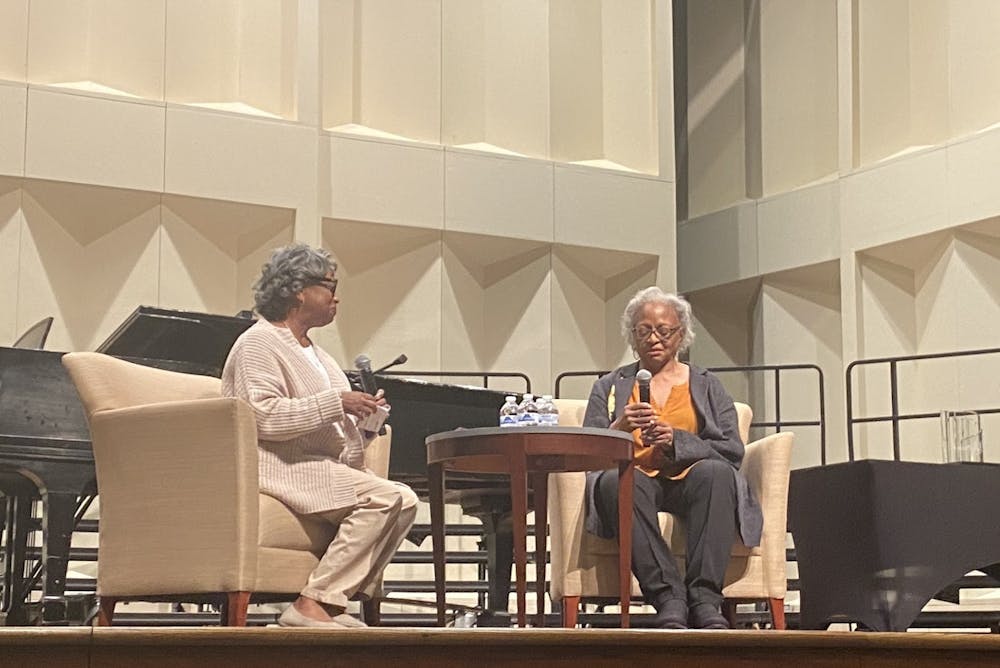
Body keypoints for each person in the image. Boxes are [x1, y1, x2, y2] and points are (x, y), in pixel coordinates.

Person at [222, 243, 418, 628]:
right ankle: (312, 603)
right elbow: (261, 417)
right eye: (330, 285)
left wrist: (365, 421)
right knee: (385, 497)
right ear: (298, 290)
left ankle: (332, 603)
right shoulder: (258, 343)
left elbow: (337, 434)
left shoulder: (321, 356)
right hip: (278, 465)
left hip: (317, 465)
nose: (336, 296)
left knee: (406, 501)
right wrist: (337, 402)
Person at [583, 287, 762, 630]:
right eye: (644, 330)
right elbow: (589, 453)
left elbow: (731, 450)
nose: (654, 338)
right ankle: (669, 599)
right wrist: (619, 427)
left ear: (681, 335)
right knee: (614, 482)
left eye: (664, 330)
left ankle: (706, 601)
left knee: (717, 475)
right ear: (632, 337)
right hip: (635, 479)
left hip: (690, 479)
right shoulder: (607, 387)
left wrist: (676, 441)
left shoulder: (708, 384)